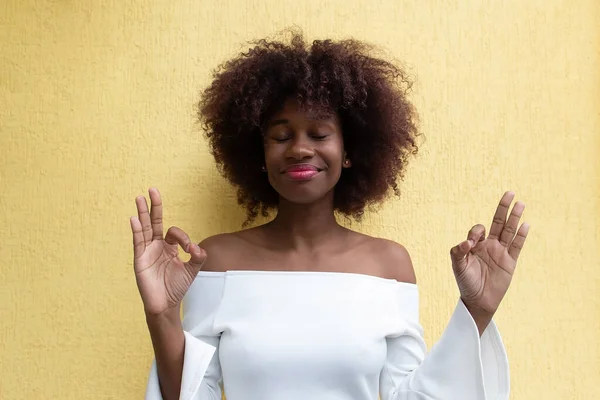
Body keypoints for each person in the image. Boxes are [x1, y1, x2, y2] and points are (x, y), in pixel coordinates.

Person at [130, 32, 529, 400]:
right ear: (260, 155)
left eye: (319, 134)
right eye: (281, 136)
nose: (300, 149)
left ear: (350, 149)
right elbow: (193, 392)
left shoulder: (388, 264)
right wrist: (161, 316)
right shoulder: (217, 260)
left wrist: (476, 311)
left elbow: (408, 396)